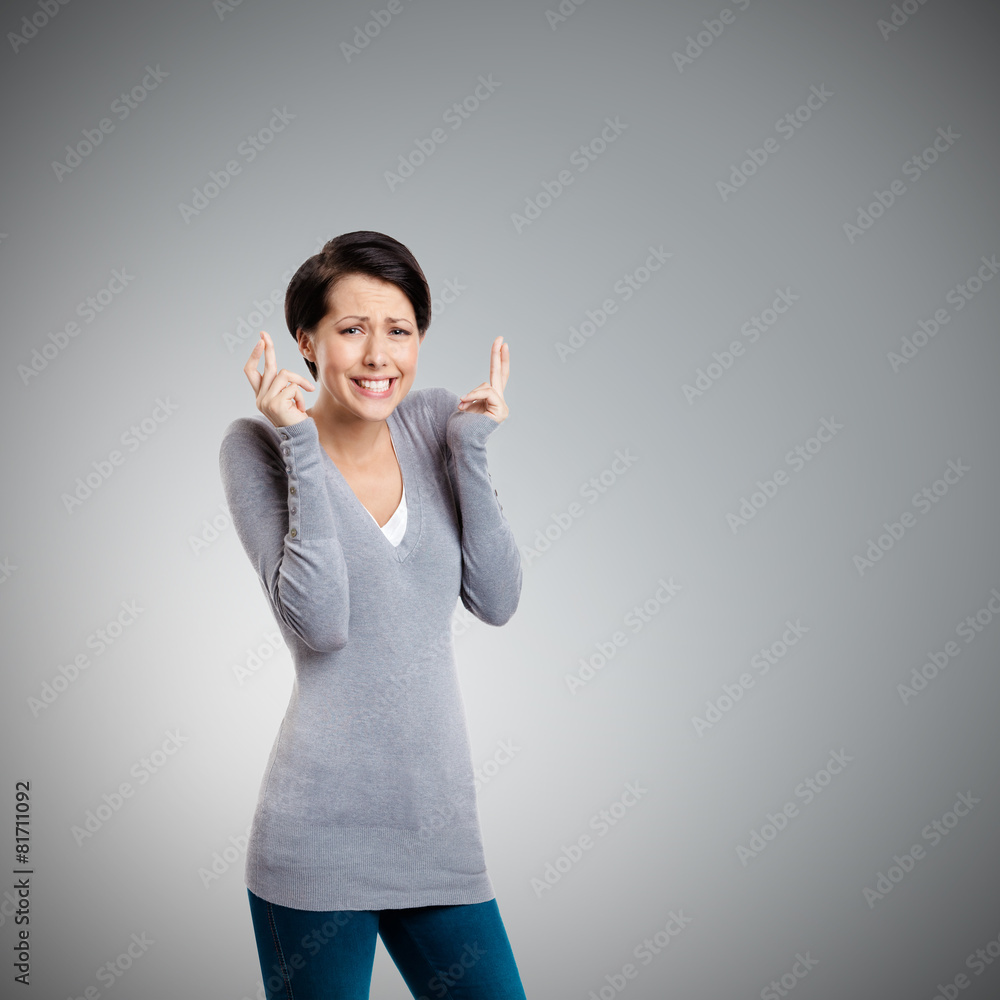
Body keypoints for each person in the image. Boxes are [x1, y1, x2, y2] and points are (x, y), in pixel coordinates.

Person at [218, 231, 528, 999]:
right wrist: (300, 444)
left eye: (399, 330)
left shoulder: (430, 426)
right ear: (307, 340)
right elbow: (321, 625)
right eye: (352, 330)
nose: (378, 355)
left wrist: (474, 451)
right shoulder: (256, 449)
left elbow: (496, 599)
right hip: (315, 844)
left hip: (439, 834)